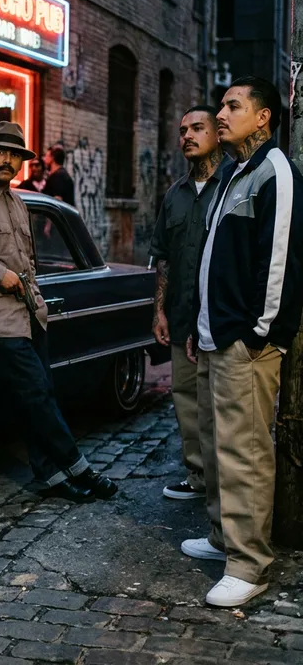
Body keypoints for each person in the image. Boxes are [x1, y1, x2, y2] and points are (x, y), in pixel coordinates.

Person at [0, 121, 117, 504]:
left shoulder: (18, 201)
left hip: (31, 313)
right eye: (1, 152)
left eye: (15, 154)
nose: (8, 159)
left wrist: (35, 299)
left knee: (39, 395)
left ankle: (50, 474)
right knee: (36, 394)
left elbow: (28, 260)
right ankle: (80, 466)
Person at [183, 77, 303, 607]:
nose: (221, 113)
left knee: (246, 452)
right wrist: (199, 324)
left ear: (264, 116)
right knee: (216, 446)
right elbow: (214, 257)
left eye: (233, 105)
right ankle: (222, 538)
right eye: (221, 105)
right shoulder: (234, 172)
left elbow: (279, 260)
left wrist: (259, 334)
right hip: (214, 335)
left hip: (244, 342)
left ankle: (249, 564)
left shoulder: (275, 171)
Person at [149, 106, 227, 502]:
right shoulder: (175, 194)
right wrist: (159, 310)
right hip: (181, 317)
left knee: (222, 405)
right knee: (185, 398)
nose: (187, 137)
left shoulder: (234, 186)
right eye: (182, 131)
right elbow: (163, 256)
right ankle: (198, 477)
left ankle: (226, 484)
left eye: (197, 128)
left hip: (222, 321)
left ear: (217, 133)